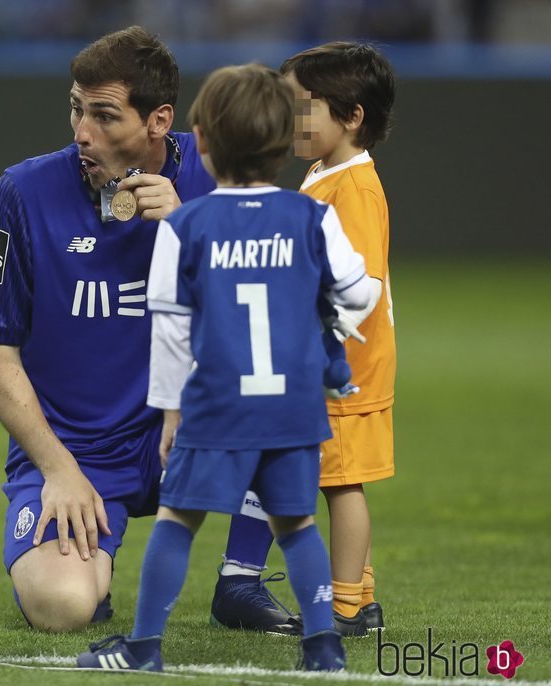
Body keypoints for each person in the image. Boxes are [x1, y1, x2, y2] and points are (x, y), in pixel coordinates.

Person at [76, 63, 378, 672]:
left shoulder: (186, 226)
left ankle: (143, 648)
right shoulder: (311, 217)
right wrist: (324, 317)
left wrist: (169, 414)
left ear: (204, 144)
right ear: (279, 141)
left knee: (177, 522)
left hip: (217, 409)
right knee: (296, 527)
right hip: (293, 411)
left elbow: (171, 329)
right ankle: (323, 648)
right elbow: (361, 293)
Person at [0, 25, 223, 632]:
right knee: (63, 607)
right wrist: (57, 468)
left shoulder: (215, 180)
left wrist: (190, 231)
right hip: (76, 449)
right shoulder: (22, 192)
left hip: (183, 439)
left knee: (294, 412)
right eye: (77, 110)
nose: (83, 132)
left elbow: (269, 311)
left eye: (105, 116)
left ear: (159, 121)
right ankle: (90, 564)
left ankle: (242, 576)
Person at [279, 41, 397, 635]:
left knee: (341, 482)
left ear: (352, 116)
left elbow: (365, 288)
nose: (291, 120)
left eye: (304, 106)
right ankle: (362, 593)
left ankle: (347, 606)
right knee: (334, 479)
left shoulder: (354, 189)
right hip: (327, 365)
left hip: (344, 369)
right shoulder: (324, 172)